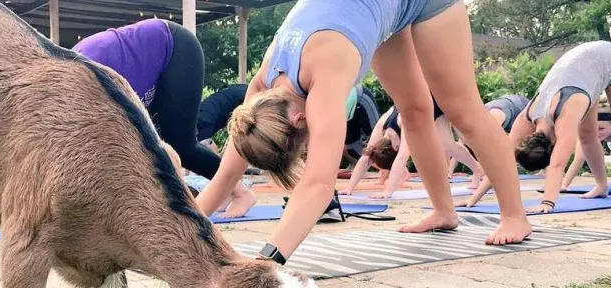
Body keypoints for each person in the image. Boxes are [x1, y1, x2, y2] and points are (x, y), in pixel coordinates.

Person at [196, 0, 532, 261]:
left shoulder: (322, 79)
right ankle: (444, 212)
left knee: (462, 110)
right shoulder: (261, 96)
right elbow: (225, 177)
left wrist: (266, 261)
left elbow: (318, 186)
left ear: (300, 121)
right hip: (376, 11)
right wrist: (180, 231)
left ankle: (515, 216)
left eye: (303, 148)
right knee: (414, 111)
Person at [73, 19, 256, 217]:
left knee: (180, 146)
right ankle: (224, 192)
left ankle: (241, 193)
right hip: (140, 71)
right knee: (153, 146)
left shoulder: (83, 85)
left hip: (175, 47)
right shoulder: (74, 99)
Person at [498, 41, 611, 213]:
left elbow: (557, 165)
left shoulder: (564, 116)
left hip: (610, 58)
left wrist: (547, 203)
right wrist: (480, 196)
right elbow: (502, 160)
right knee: (587, 135)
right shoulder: (526, 118)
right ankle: (602, 186)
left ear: (553, 146)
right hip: (583, 73)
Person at [338, 106, 412, 197]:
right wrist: (349, 188)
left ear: (396, 148)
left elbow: (401, 158)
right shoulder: (382, 125)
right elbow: (367, 155)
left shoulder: (407, 124)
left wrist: (388, 192)